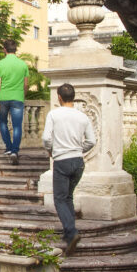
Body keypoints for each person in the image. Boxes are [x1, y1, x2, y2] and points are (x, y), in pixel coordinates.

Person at [41, 83, 95, 255]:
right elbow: (91, 141)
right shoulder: (82, 116)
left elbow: (46, 138)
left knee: (59, 199)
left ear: (59, 97)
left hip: (62, 160)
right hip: (78, 161)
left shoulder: (54, 114)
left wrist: (51, 150)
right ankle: (69, 231)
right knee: (68, 196)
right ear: (73, 96)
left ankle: (71, 232)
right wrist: (79, 149)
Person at [0, 39, 29, 165]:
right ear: (16, 49)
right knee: (17, 126)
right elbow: (26, 85)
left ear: (4, 49)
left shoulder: (0, 64)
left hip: (3, 98)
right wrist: (23, 95)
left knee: (3, 122)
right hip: (18, 97)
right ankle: (14, 150)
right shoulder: (23, 65)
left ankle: (8, 146)